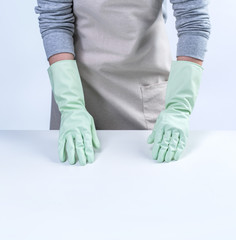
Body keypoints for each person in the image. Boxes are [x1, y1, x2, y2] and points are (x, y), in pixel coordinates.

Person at [34, 0, 211, 165]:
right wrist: (71, 106)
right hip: (77, 90)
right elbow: (55, 20)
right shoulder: (72, 104)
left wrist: (178, 106)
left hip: (146, 94)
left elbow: (193, 19)